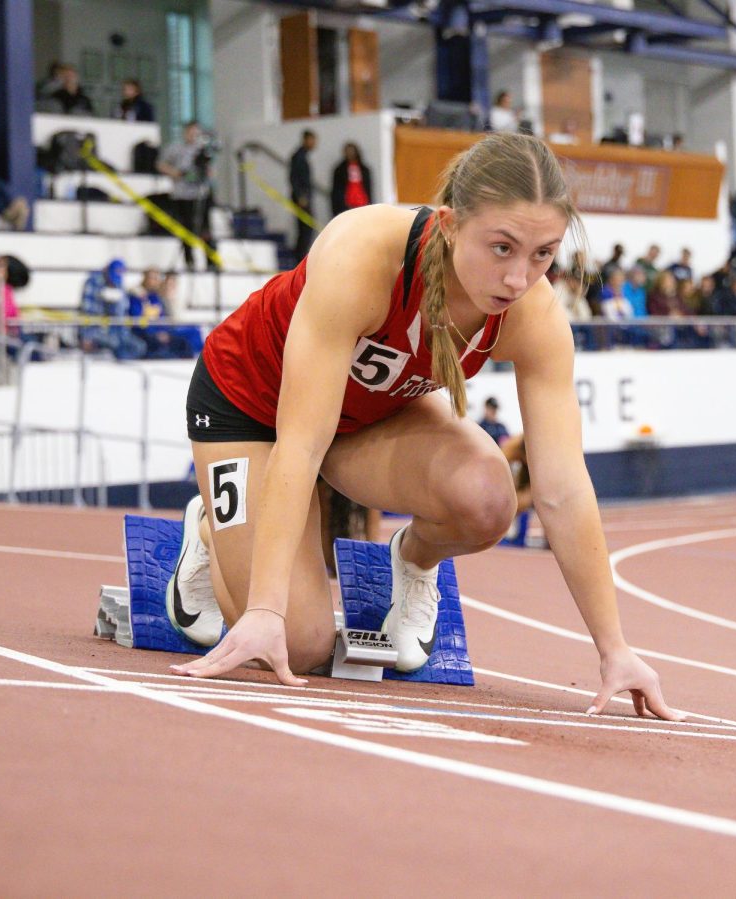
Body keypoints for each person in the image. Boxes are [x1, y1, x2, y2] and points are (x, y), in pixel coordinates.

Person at [166, 132, 682, 721]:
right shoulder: (361, 253)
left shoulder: (533, 314)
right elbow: (301, 444)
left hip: (367, 417)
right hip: (249, 407)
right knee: (301, 642)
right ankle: (211, 529)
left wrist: (614, 650)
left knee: (488, 499)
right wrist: (262, 611)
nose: (519, 278)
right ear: (449, 223)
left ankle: (412, 561)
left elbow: (562, 488)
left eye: (543, 254)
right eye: (502, 248)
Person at [157, 121, 215, 270]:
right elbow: (160, 164)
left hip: (201, 194)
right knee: (186, 229)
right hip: (182, 195)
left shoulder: (203, 150)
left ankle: (211, 261)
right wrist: (175, 173)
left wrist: (207, 172)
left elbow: (211, 172)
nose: (193, 135)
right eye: (190, 132)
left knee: (206, 229)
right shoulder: (175, 148)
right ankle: (189, 261)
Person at [80, 258, 145, 360]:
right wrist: (87, 337)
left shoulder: (118, 283)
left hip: (117, 331)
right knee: (115, 344)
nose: (113, 282)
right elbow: (88, 311)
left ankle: (122, 366)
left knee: (139, 346)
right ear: (106, 271)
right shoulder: (93, 282)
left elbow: (122, 311)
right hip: (97, 331)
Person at [289, 129, 317, 261]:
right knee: (305, 230)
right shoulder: (298, 156)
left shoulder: (303, 156)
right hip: (302, 198)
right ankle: (299, 258)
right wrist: (300, 196)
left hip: (304, 197)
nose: (314, 143)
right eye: (312, 140)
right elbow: (294, 178)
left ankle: (301, 257)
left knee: (306, 230)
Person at [330, 142, 373, 218]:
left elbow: (368, 187)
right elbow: (336, 190)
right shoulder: (340, 170)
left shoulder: (364, 169)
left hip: (362, 202)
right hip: (347, 203)